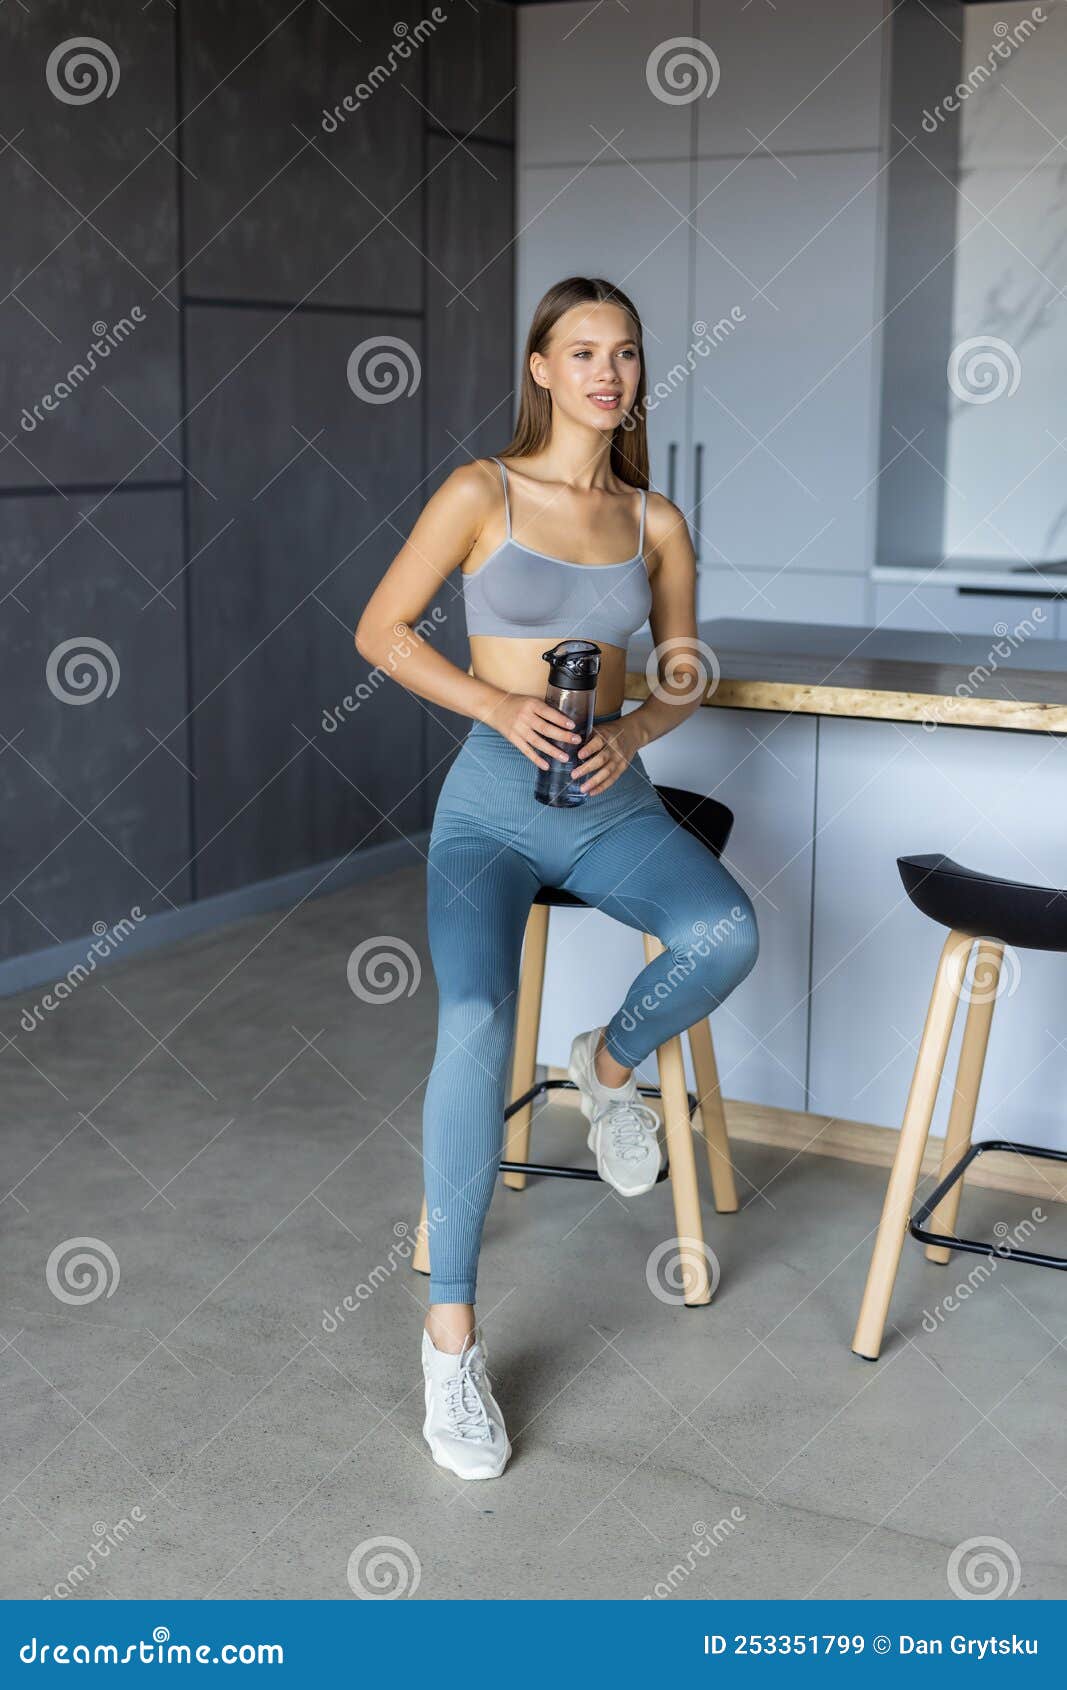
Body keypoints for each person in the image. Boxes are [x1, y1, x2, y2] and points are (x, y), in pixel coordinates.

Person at [355, 276, 759, 1481]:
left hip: (605, 806)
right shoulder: (481, 492)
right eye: (580, 351)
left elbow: (681, 669)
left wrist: (631, 734)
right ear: (540, 367)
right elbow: (380, 630)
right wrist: (493, 700)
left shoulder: (656, 521)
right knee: (473, 1020)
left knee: (724, 931)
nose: (606, 372)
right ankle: (450, 1345)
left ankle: (605, 1063)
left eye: (624, 353)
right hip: (488, 809)